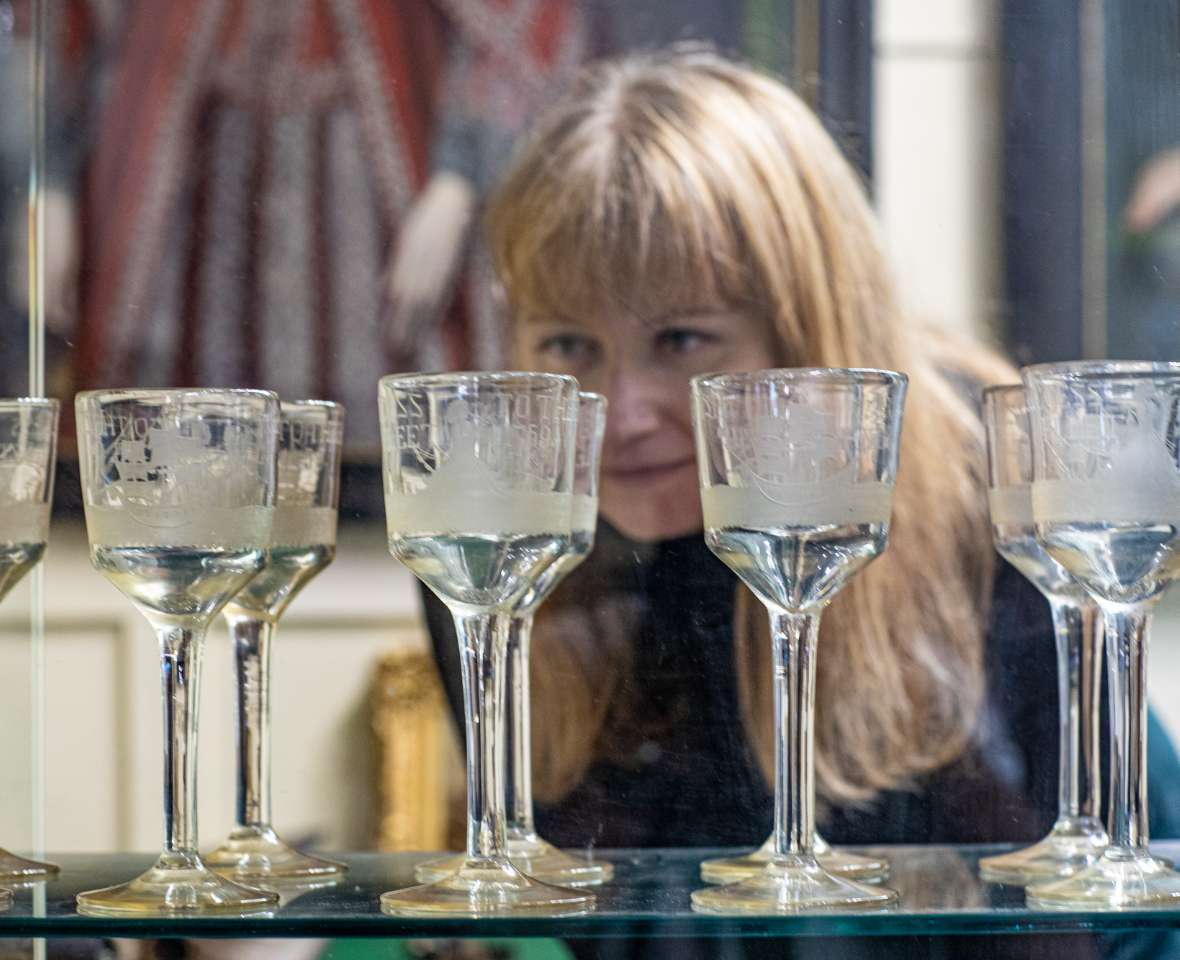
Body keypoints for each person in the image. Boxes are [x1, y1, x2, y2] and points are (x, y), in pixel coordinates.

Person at [420, 49, 1180, 959]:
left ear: (811, 329)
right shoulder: (495, 552)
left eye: (682, 337)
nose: (621, 415)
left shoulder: (991, 483)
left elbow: (1126, 899)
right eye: (569, 342)